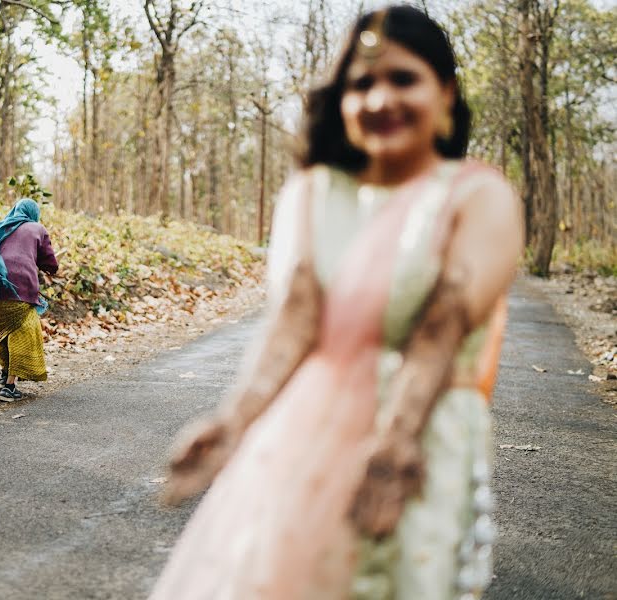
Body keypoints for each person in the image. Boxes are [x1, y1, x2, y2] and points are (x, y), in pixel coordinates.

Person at [152, 6, 522, 599]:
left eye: (403, 79)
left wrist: (395, 439)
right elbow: (294, 322)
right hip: (302, 436)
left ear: (445, 92)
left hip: (421, 435)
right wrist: (233, 422)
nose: (379, 100)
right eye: (361, 84)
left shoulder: (478, 197)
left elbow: (442, 326)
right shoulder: (313, 192)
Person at [0, 199, 59, 401]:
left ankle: (5, 373)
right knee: (24, 332)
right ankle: (9, 387)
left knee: (6, 333)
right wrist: (51, 269)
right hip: (20, 290)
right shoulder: (37, 228)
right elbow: (50, 262)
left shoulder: (2, 227)